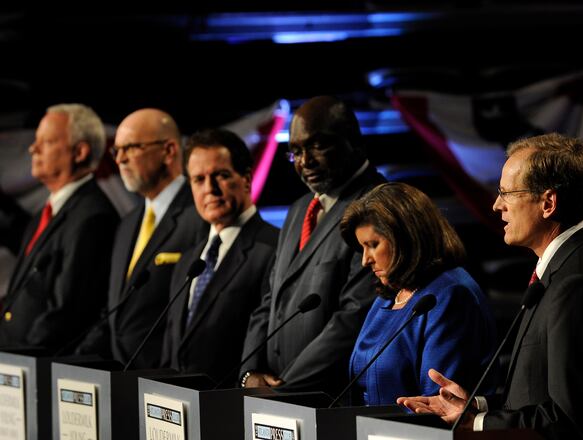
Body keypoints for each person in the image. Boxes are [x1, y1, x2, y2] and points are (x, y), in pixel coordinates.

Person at [397, 133, 583, 438]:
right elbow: (541, 395)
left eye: (506, 193)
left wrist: (474, 425)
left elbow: (568, 418)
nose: (496, 205)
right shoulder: (568, 266)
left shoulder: (576, 283)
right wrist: (476, 407)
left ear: (548, 203)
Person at [240, 96, 386, 394]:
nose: (305, 161)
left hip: (327, 399)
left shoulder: (378, 204)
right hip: (275, 400)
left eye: (318, 146)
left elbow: (353, 317)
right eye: (295, 151)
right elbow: (270, 300)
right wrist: (251, 372)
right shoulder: (298, 210)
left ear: (353, 142)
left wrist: (284, 390)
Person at [338, 182, 498, 406]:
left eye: (373, 245)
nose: (366, 260)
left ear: (405, 237)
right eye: (362, 247)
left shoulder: (451, 295)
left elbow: (435, 402)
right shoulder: (389, 295)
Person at [76, 108, 206, 368]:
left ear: (169, 150)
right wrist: (74, 363)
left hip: (169, 382)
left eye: (131, 148)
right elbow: (117, 310)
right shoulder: (127, 223)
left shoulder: (199, 216)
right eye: (116, 150)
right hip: (123, 379)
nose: (120, 159)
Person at [160, 128, 278, 386]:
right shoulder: (188, 261)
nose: (210, 189)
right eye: (198, 179)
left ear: (247, 178)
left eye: (221, 176)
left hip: (232, 407)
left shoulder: (274, 248)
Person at [0, 104, 119, 349]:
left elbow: (67, 310)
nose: (33, 148)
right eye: (36, 141)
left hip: (41, 367)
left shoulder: (92, 217)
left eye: (47, 141)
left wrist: (24, 360)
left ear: (80, 152)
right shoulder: (44, 216)